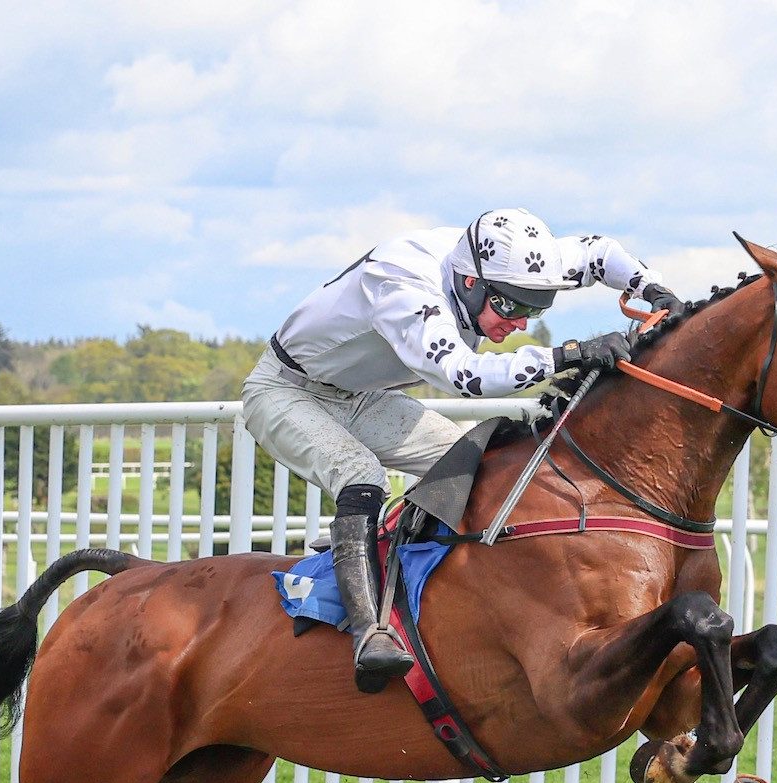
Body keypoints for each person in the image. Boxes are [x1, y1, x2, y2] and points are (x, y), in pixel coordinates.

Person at [241, 208, 681, 688]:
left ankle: (421, 581)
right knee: (361, 474)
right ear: (470, 282)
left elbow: (598, 254)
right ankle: (370, 632)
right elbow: (465, 376)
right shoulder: (402, 284)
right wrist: (564, 355)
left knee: (472, 462)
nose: (519, 323)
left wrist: (655, 290)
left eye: (533, 311)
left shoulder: (504, 264)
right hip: (285, 391)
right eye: (510, 308)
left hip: (361, 395)